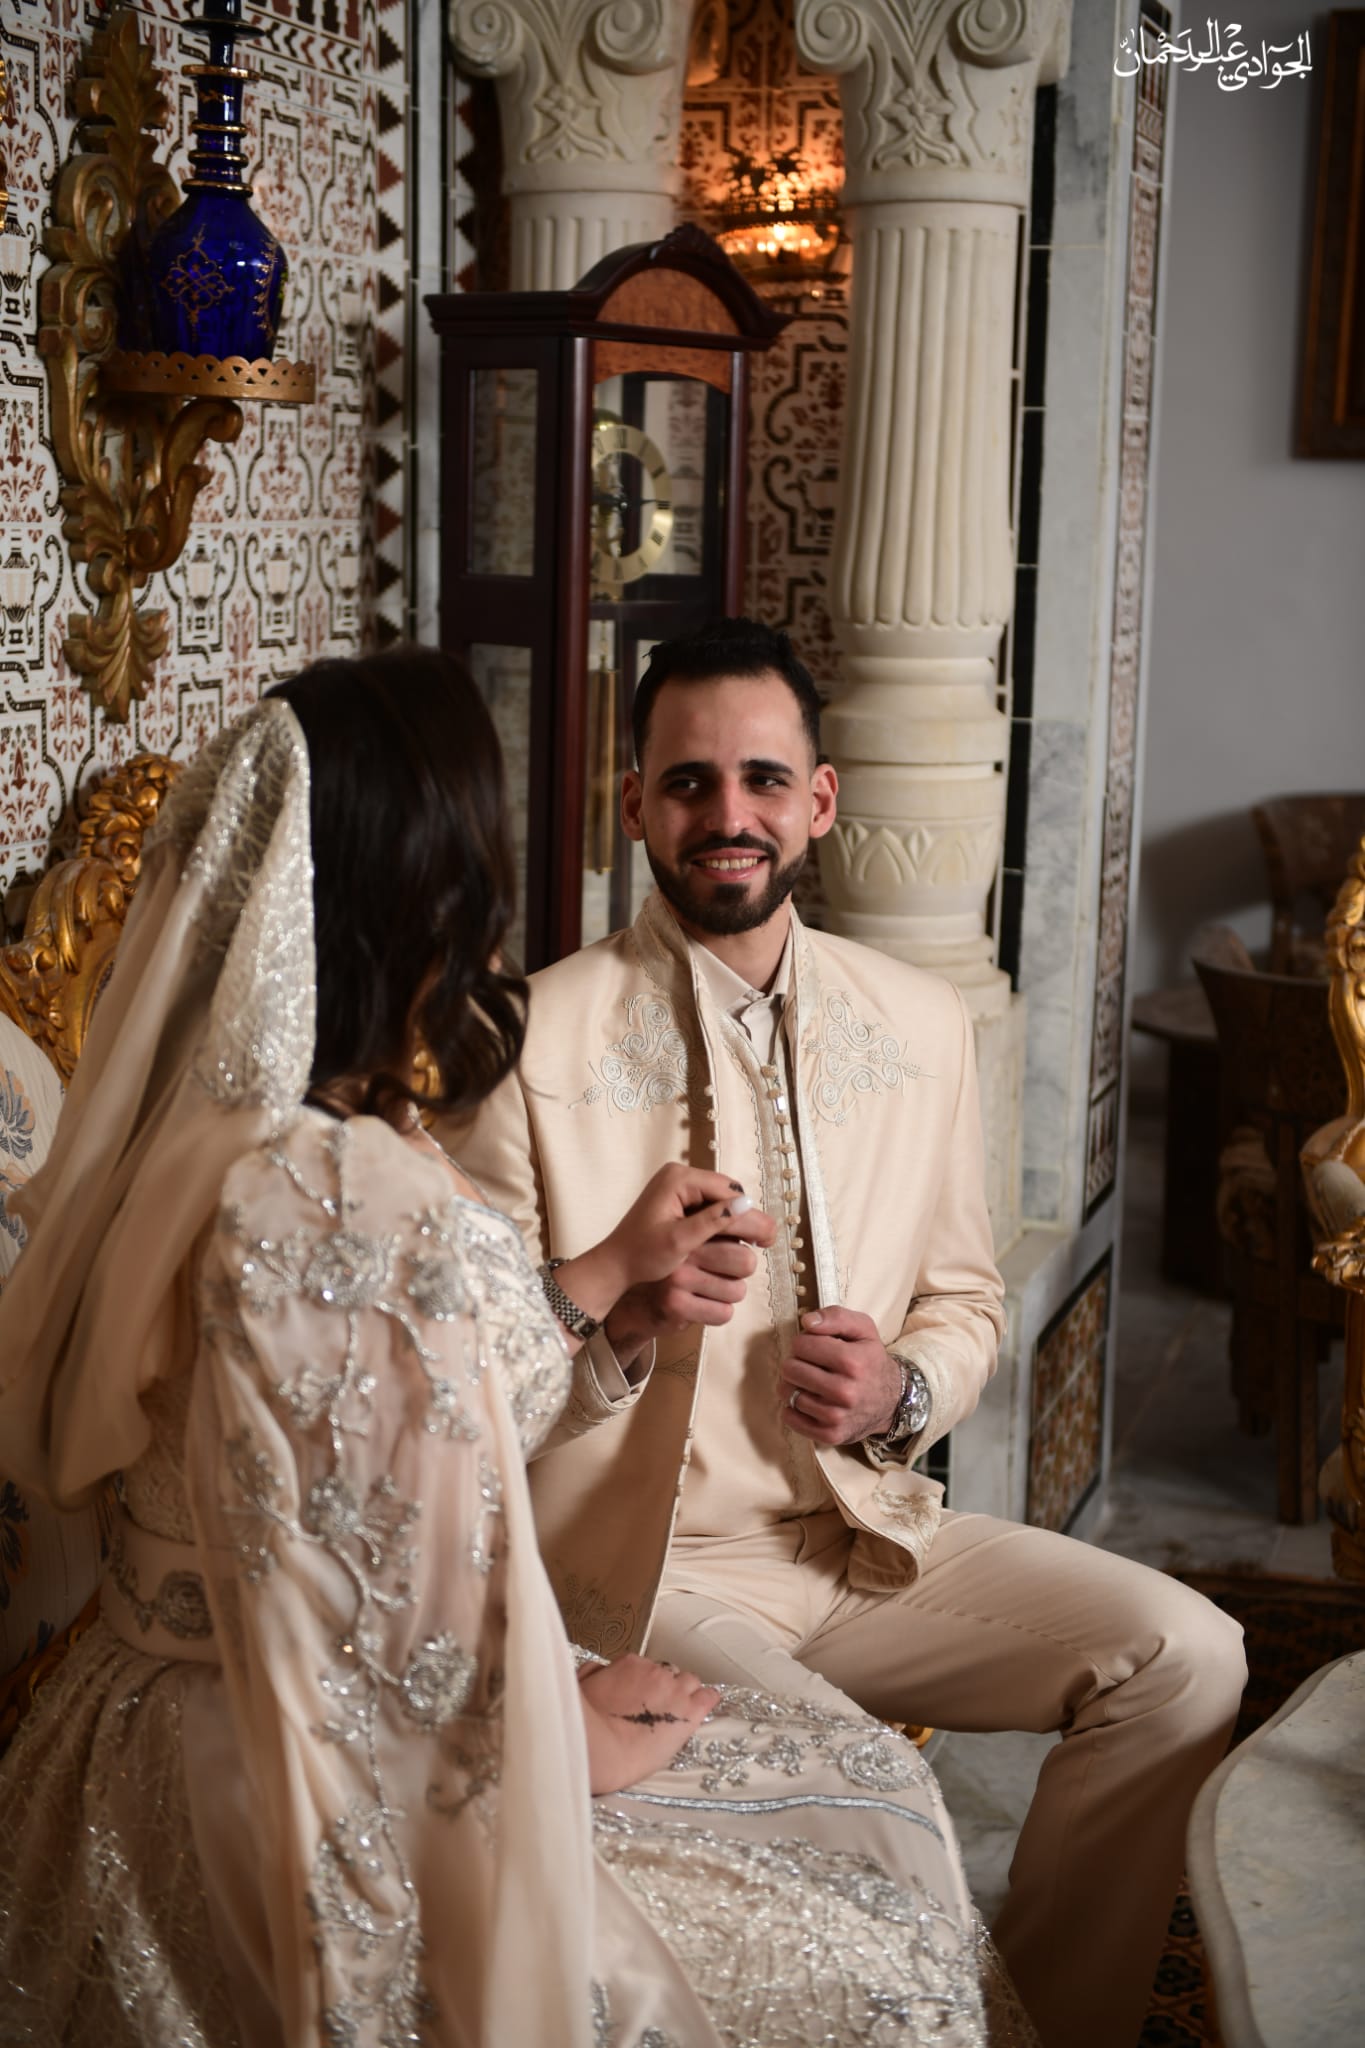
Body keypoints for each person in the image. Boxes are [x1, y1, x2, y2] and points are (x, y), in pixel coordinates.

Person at [0, 649, 1036, 2048]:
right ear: (424, 887)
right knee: (875, 1871)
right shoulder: (349, 1196)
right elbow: (397, 1601)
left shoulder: (193, 1152)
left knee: (915, 1780)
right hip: (316, 1772)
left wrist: (619, 1289)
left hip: (137, 1720)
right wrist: (579, 1722)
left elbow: (362, 1463)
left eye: (764, 778)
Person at [455, 617, 1250, 2048]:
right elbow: (462, 1393)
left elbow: (967, 1298)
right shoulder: (526, 1043)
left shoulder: (924, 1023)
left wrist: (904, 1390)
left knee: (1187, 1656)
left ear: (819, 802)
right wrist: (623, 1320)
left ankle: (1046, 2022)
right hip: (645, 1571)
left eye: (764, 779)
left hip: (866, 1541)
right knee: (876, 1795)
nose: (728, 814)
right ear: (632, 804)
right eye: (688, 782)